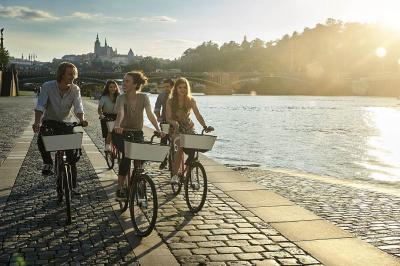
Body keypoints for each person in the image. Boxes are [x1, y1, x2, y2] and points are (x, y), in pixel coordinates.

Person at [32, 62, 88, 195]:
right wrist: (36, 122)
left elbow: (78, 106)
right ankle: (48, 163)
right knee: (41, 139)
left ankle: (73, 186)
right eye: (70, 74)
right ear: (61, 74)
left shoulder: (75, 89)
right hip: (50, 121)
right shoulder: (48, 86)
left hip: (67, 122)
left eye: (74, 74)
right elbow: (41, 105)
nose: (73, 76)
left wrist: (82, 119)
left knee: (71, 158)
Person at [113, 71, 164, 199]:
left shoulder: (143, 97)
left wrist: (158, 129)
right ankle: (120, 189)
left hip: (137, 133)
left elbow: (149, 114)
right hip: (121, 132)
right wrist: (118, 126)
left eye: (127, 81)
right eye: (123, 80)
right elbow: (120, 113)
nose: (123, 83)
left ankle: (139, 180)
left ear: (135, 84)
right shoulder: (121, 98)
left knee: (140, 158)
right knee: (126, 157)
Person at [166, 77, 211, 184]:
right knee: (181, 146)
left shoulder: (190, 100)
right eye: (180, 87)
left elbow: (198, 115)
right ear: (175, 88)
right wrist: (174, 123)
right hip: (175, 130)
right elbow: (168, 118)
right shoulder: (170, 101)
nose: (182, 90)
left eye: (185, 88)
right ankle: (175, 175)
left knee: (195, 146)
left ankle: (191, 170)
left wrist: (205, 126)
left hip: (189, 128)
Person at [154, 78, 174, 169]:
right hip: (165, 122)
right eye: (164, 87)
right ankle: (164, 160)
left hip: (175, 122)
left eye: (167, 86)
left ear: (172, 86)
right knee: (164, 140)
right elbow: (157, 108)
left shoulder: (176, 95)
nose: (166, 88)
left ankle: (173, 160)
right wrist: (159, 117)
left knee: (175, 142)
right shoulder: (161, 96)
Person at [98, 80, 120, 151]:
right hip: (106, 116)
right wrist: (101, 115)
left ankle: (118, 146)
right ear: (107, 88)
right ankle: (107, 147)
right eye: (111, 87)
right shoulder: (104, 97)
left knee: (119, 132)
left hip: (117, 116)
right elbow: (99, 108)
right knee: (109, 131)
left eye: (114, 87)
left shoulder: (119, 97)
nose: (113, 89)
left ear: (116, 88)